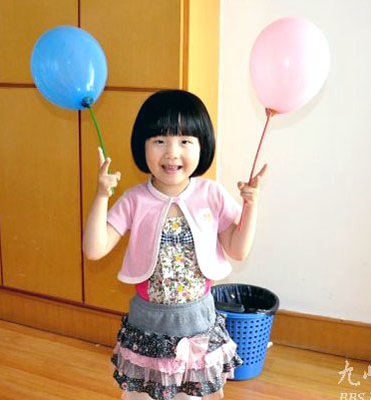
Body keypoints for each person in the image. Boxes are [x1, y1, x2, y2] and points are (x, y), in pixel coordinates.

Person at [83, 90, 267, 400]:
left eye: (184, 141)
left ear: (202, 145)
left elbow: (238, 250)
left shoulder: (212, 194)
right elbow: (94, 249)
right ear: (142, 145)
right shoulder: (134, 200)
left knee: (191, 396)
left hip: (198, 322)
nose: (171, 153)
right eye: (159, 140)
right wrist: (101, 196)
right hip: (149, 325)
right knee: (145, 395)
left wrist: (251, 206)